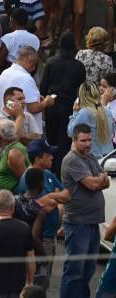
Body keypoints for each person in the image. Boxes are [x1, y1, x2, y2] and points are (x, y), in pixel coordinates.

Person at [61, 123, 109, 298]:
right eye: (83, 140)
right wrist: (99, 179)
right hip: (78, 223)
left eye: (90, 139)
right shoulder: (72, 159)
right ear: (74, 140)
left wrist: (100, 179)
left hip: (92, 222)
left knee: (88, 270)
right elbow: (94, 183)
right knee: (74, 272)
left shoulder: (89, 157)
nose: (88, 144)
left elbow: (106, 181)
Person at [68, 81, 116, 159]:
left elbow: (71, 133)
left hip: (93, 160)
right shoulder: (107, 111)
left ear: (81, 97)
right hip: (109, 158)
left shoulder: (84, 113)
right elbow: (112, 133)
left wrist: (75, 112)